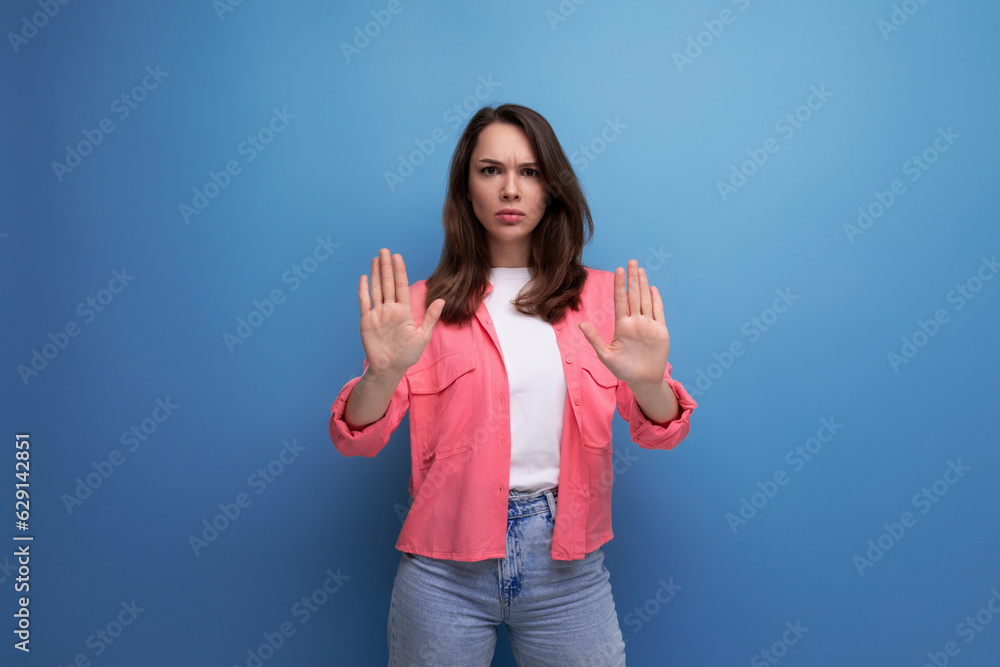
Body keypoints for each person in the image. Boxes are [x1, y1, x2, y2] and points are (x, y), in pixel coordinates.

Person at [328, 103, 697, 666]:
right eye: (490, 170)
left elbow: (663, 432)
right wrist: (382, 375)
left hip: (568, 570)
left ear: (551, 188)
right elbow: (357, 438)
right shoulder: (419, 308)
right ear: (466, 189)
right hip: (442, 571)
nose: (510, 189)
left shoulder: (603, 299)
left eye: (528, 172)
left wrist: (648, 383)